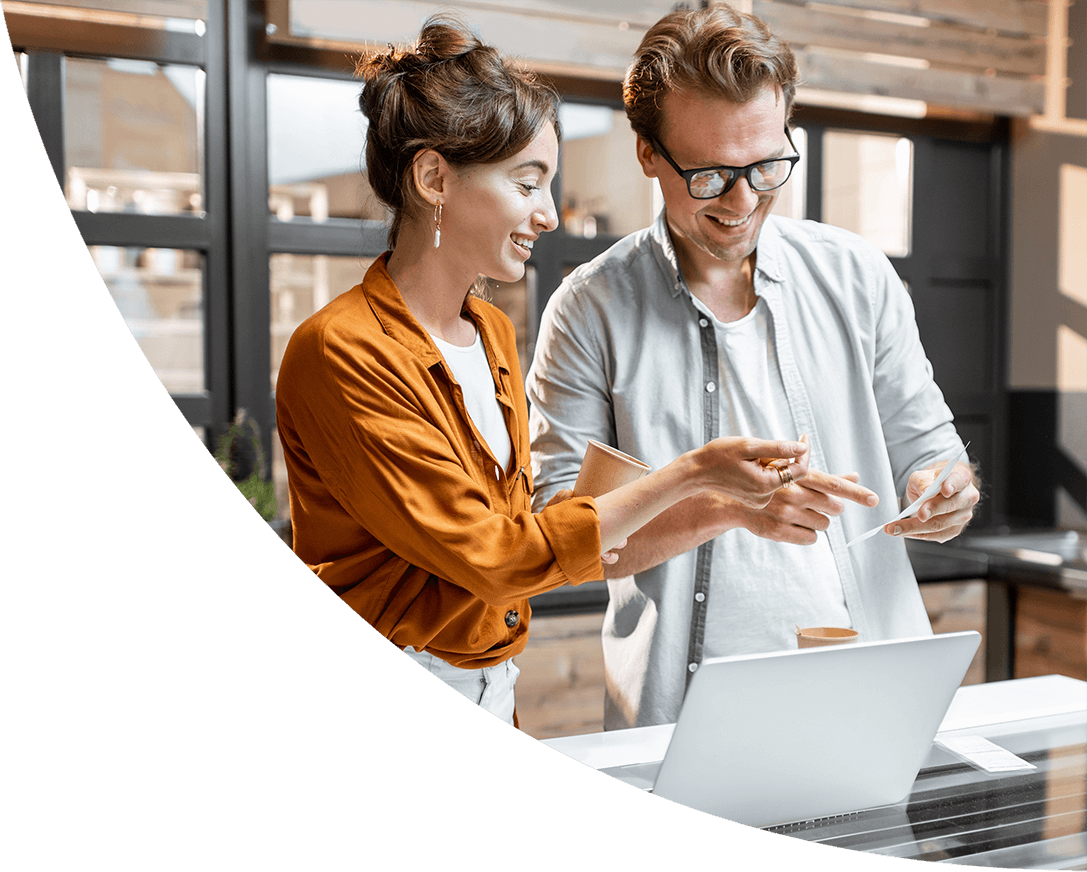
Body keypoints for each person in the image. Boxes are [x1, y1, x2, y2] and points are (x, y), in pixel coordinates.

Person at [275, 15, 812, 728]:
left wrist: (724, 506)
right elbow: (500, 559)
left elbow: (541, 534)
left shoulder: (490, 331)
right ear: (434, 176)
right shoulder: (340, 351)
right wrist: (690, 473)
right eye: (527, 184)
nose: (549, 215)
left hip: (492, 680)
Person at [526, 4, 981, 730]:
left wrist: (944, 490)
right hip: (681, 721)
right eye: (708, 174)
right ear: (648, 152)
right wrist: (726, 509)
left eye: (766, 165)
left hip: (878, 702)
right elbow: (566, 541)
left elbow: (931, 451)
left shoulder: (856, 273)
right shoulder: (590, 310)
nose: (742, 202)